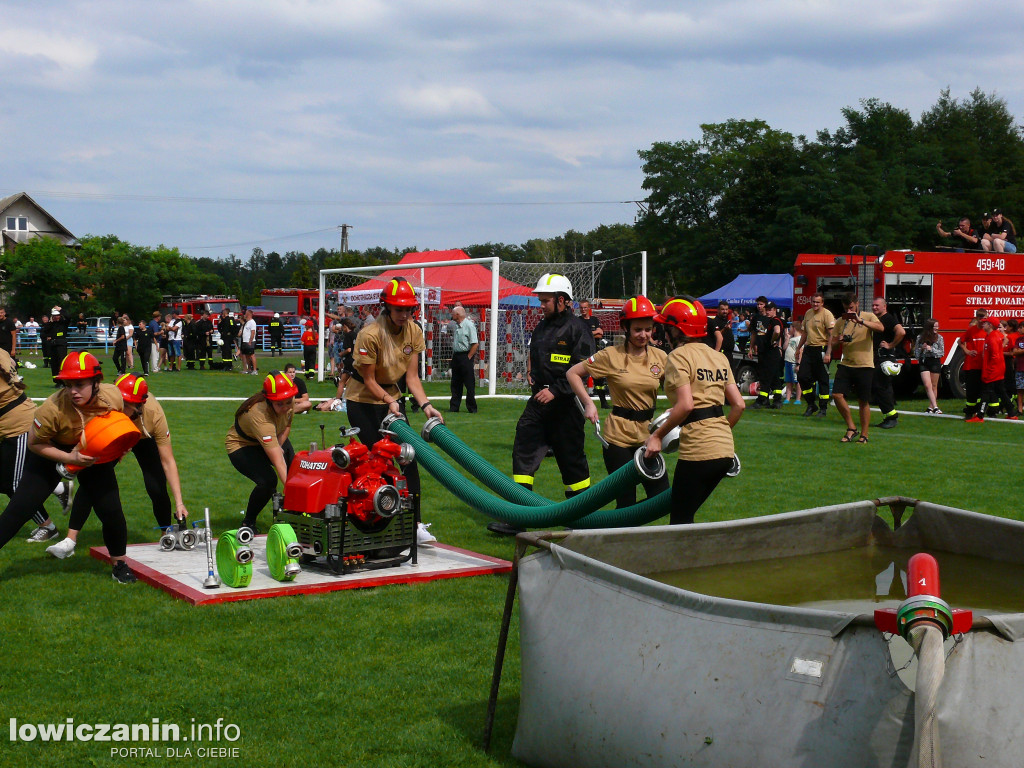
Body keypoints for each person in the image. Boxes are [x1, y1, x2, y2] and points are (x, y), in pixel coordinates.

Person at [0, 352, 137, 582]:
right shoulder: (51, 408)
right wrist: (69, 457)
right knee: (19, 510)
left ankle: (119, 565)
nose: (73, 391)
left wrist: (120, 445)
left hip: (91, 453)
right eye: (68, 384)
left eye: (80, 384)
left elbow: (121, 421)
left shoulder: (112, 395)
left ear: (97, 381)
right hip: (50, 452)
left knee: (111, 509)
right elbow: (34, 444)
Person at [492, 273, 595, 536]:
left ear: (562, 300)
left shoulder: (577, 329)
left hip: (565, 406)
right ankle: (519, 515)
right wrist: (530, 373)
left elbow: (584, 367)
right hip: (538, 403)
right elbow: (534, 353)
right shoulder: (542, 326)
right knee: (523, 452)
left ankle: (579, 518)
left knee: (572, 461)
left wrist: (557, 391)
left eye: (546, 301)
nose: (542, 305)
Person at [46, 373, 190, 559]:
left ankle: (165, 535)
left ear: (139, 406)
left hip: (143, 437)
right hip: (114, 431)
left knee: (156, 485)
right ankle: (70, 540)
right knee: (93, 479)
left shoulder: (153, 415)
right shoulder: (107, 403)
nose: (118, 408)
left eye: (124, 406)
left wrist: (179, 502)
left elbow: (168, 461)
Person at [344, 277, 443, 540]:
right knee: (378, 461)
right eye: (399, 309)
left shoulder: (414, 331)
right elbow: (368, 380)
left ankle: (415, 524)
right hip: (362, 402)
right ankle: (375, 519)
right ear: (386, 307)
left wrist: (426, 406)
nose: (404, 314)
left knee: (409, 458)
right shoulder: (370, 334)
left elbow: (411, 378)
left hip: (392, 402)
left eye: (408, 309)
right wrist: (389, 401)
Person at [644, 297, 744, 525]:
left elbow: (687, 405)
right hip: (725, 449)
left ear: (675, 330)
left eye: (665, 328)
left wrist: (657, 436)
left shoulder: (678, 356)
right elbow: (739, 405)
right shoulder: (718, 356)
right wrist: (717, 430)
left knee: (679, 521)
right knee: (686, 516)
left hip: (698, 450)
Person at [567, 295, 669, 509]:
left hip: (648, 437)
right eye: (638, 329)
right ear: (626, 328)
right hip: (618, 438)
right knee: (626, 501)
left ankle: (641, 535)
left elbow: (678, 388)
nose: (644, 335)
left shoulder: (661, 357)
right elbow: (573, 373)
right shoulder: (610, 355)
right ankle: (619, 534)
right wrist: (588, 403)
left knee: (661, 496)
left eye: (648, 329)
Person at [0, 346, 68, 543]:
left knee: (15, 486)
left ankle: (48, 527)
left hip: (17, 426)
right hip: (12, 423)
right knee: (5, 481)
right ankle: (59, 490)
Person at [226, 371, 297, 535]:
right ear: (269, 400)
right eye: (280, 404)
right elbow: (278, 461)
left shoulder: (288, 402)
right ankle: (248, 521)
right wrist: (291, 491)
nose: (286, 407)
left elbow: (286, 426)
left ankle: (297, 516)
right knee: (269, 480)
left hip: (272, 438)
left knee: (295, 470)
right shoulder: (259, 415)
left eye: (288, 402)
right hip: (242, 445)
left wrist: (279, 444)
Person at [830, 295, 884, 443]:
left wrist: (862, 322)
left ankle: (864, 435)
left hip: (865, 365)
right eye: (846, 308)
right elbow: (832, 342)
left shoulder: (868, 316)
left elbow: (881, 328)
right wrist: (838, 340)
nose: (849, 310)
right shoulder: (841, 321)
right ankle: (851, 427)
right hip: (846, 364)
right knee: (836, 395)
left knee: (863, 401)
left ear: (857, 304)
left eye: (852, 308)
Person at [971, 316, 1019, 422]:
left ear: (990, 325)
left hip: (993, 370)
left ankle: (980, 415)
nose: (983, 324)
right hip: (999, 368)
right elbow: (1002, 343)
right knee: (1001, 390)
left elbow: (995, 356)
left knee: (986, 391)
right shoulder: (996, 335)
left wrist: (989, 370)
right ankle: (1011, 413)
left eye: (985, 323)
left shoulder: (992, 337)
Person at [795, 293, 834, 417]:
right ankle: (811, 404)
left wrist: (828, 352)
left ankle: (823, 408)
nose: (815, 304)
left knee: (822, 379)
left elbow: (832, 335)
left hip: (821, 349)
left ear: (822, 303)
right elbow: (805, 333)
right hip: (809, 349)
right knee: (802, 376)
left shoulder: (827, 314)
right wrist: (798, 348)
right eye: (813, 302)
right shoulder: (808, 313)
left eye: (818, 302)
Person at [870, 297, 904, 429]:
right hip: (878, 358)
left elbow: (901, 332)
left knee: (882, 387)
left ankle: (891, 417)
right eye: (873, 306)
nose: (874, 308)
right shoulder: (877, 320)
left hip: (885, 358)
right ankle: (887, 416)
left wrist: (890, 345)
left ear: (885, 307)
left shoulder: (888, 318)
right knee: (879, 387)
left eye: (877, 305)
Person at [751, 301, 784, 409]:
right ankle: (777, 400)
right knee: (775, 377)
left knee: (765, 376)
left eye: (769, 309)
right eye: (767, 309)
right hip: (771, 353)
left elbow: (777, 331)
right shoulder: (775, 320)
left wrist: (773, 340)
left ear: (774, 309)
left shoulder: (775, 320)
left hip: (770, 353)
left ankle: (761, 401)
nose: (767, 311)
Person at [957, 309, 988, 420]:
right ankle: (969, 412)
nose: (982, 320)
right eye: (979, 317)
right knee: (971, 391)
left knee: (982, 390)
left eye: (984, 317)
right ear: (976, 318)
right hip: (971, 366)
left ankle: (979, 412)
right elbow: (960, 341)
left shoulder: (988, 331)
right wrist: (967, 351)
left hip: (983, 366)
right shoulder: (971, 330)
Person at [448, 306, 479, 413]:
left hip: (465, 356)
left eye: (453, 314)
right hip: (456, 356)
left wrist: (468, 357)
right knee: (455, 383)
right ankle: (454, 407)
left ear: (457, 314)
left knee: (469, 383)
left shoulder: (469, 326)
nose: (451, 316)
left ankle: (472, 407)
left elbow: (475, 343)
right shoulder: (457, 326)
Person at [579, 299, 608, 408]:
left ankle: (603, 402)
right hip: (583, 353)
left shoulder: (594, 320)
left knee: (599, 377)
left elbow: (601, 334)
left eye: (585, 307)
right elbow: (582, 336)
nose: (583, 310)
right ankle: (582, 403)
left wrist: (590, 334)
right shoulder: (578, 321)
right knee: (583, 377)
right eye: (581, 308)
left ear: (589, 308)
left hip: (595, 352)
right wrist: (595, 333)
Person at [913, 318, 944, 414]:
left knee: (934, 386)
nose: (937, 328)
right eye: (935, 326)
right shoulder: (920, 338)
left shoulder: (939, 338)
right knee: (927, 385)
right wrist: (922, 349)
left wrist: (931, 349)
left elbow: (941, 353)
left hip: (935, 362)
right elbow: (916, 354)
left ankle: (931, 407)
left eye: (937, 326)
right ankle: (935, 407)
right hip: (924, 361)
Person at [46, 307, 69, 382]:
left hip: (61, 345)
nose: (56, 317)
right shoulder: (51, 324)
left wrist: (61, 309)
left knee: (61, 362)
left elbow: (69, 316)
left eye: (57, 315)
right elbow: (44, 332)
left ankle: (63, 380)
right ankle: (56, 381)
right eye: (54, 316)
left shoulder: (64, 323)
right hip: (53, 345)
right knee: (54, 364)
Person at [783, 319, 801, 403]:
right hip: (788, 361)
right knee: (788, 381)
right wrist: (787, 338)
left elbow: (801, 352)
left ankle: (798, 399)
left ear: (794, 328)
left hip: (794, 362)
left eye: (790, 328)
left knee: (796, 381)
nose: (789, 330)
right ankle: (788, 398)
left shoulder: (799, 339)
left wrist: (798, 364)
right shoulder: (791, 338)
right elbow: (784, 348)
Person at [240, 309, 258, 375]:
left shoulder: (252, 322)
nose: (245, 314)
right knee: (246, 355)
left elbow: (253, 332)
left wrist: (250, 341)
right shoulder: (247, 322)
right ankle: (249, 369)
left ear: (249, 314)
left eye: (246, 313)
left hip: (249, 342)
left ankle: (255, 370)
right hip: (245, 341)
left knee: (252, 355)